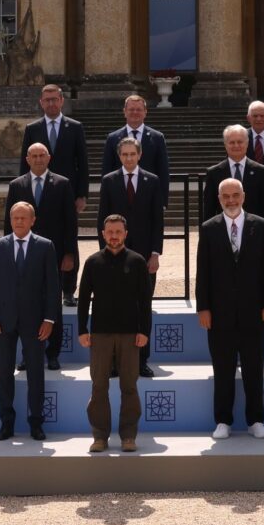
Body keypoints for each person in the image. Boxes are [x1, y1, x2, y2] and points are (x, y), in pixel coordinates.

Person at [197, 176, 264, 440]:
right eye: (226, 197)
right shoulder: (209, 228)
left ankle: (256, 419)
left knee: (254, 367)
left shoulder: (261, 225)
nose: (231, 201)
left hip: (253, 311)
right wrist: (203, 308)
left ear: (243, 196)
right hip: (219, 313)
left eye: (235, 195)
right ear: (219, 199)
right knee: (222, 368)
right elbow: (203, 272)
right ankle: (223, 420)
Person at [0, 198, 61, 442]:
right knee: (4, 373)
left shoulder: (45, 246)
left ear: (32, 220)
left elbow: (52, 287)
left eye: (23, 217)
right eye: (15, 217)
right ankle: (7, 423)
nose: (18, 221)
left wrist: (49, 319)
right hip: (4, 321)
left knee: (36, 374)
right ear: (10, 219)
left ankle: (36, 423)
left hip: (35, 321)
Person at [77, 214, 155, 452]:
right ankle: (100, 436)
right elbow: (82, 301)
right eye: (110, 232)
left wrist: (144, 331)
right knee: (99, 385)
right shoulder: (92, 262)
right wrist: (82, 329)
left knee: (129, 386)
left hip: (130, 335)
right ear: (103, 234)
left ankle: (128, 436)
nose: (114, 236)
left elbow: (145, 301)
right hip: (100, 334)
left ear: (125, 234)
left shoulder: (138, 261)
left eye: (118, 232)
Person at [8, 140, 80, 369]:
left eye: (42, 155)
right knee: (25, 305)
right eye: (34, 156)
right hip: (23, 254)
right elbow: (8, 224)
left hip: (54, 254)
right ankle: (28, 353)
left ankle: (53, 352)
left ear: (49, 158)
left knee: (53, 304)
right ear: (27, 159)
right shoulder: (16, 185)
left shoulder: (62, 183)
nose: (38, 159)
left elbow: (71, 222)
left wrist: (69, 254)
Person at [98, 136, 167, 370]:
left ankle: (142, 360)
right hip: (115, 254)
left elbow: (158, 221)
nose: (128, 158)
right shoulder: (108, 181)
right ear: (119, 156)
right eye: (124, 154)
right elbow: (102, 219)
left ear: (139, 155)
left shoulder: (153, 181)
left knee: (142, 308)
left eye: (132, 154)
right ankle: (116, 361)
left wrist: (156, 254)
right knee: (116, 307)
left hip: (145, 256)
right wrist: (104, 255)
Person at [200, 124, 264, 227]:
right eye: (232, 142)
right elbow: (209, 210)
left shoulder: (262, 172)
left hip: (254, 231)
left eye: (240, 142)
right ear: (225, 144)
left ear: (247, 143)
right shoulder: (214, 173)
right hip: (224, 232)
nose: (236, 146)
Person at [26, 81, 90, 203]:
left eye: (54, 99)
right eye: (47, 100)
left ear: (61, 101)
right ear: (41, 103)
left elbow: (82, 163)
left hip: (69, 191)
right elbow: (25, 163)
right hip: (39, 191)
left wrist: (82, 195)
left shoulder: (75, 127)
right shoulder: (32, 129)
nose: (51, 104)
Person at [112, 94, 168, 183]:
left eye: (138, 109)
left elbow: (163, 172)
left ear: (145, 112)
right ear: (125, 112)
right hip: (120, 192)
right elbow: (107, 171)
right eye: (131, 109)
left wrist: (162, 196)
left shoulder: (157, 138)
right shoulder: (113, 138)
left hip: (149, 193)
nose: (135, 112)